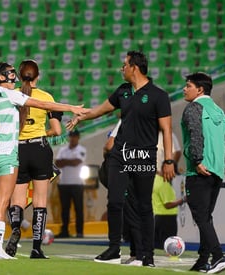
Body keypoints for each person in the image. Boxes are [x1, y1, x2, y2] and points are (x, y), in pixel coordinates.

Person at [68, 51, 176, 266]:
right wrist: (81, 116)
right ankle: (114, 248)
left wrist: (169, 160)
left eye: (124, 65)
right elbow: (99, 110)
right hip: (120, 155)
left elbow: (166, 129)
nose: (121, 69)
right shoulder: (123, 92)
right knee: (115, 202)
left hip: (145, 157)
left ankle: (148, 255)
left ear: (134, 67)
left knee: (145, 205)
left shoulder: (158, 96)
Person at [0, 61, 86, 259]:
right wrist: (71, 107)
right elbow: (44, 106)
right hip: (17, 151)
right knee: (8, 201)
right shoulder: (13, 94)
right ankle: (5, 248)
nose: (13, 78)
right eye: (9, 74)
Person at [5, 59, 63, 259]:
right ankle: (37, 248)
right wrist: (42, 133)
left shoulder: (12, 96)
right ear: (38, 76)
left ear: (19, 77)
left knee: (17, 200)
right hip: (39, 148)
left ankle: (15, 229)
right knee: (40, 201)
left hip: (18, 149)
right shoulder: (46, 97)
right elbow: (57, 130)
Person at [181, 72, 225, 273]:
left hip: (199, 171)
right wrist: (220, 163)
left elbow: (195, 134)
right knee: (206, 216)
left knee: (201, 217)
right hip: (217, 171)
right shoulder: (220, 111)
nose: (184, 89)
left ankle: (218, 256)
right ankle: (203, 260)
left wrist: (196, 160)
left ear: (200, 89)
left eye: (188, 86)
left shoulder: (193, 108)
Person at [152, 130, 184, 249]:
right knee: (168, 243)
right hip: (166, 217)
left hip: (157, 215)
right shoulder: (164, 183)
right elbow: (168, 204)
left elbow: (177, 152)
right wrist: (183, 200)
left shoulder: (156, 181)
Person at [54, 129, 87, 238]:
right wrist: (70, 161)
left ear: (78, 137)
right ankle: (65, 231)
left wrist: (65, 161)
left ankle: (79, 232)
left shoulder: (81, 149)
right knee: (64, 209)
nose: (72, 138)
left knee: (78, 209)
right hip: (64, 183)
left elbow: (77, 162)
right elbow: (57, 163)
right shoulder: (63, 149)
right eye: (71, 136)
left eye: (74, 136)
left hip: (77, 183)